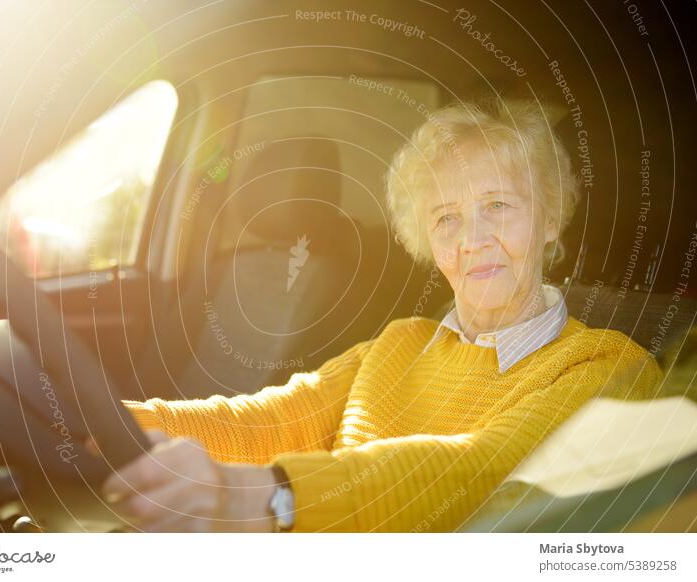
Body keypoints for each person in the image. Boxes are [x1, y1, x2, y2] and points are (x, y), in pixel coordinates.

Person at [101, 98, 662, 532]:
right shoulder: (400, 342)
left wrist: (269, 496)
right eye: (446, 218)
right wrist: (110, 425)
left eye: (497, 205)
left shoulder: (609, 366)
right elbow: (270, 420)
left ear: (550, 218)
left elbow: (480, 472)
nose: (472, 239)